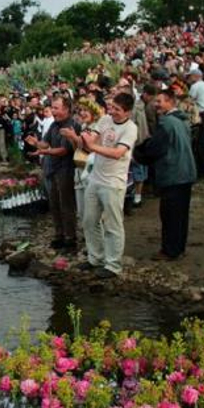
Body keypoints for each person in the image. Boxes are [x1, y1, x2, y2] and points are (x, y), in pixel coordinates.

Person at [76, 92, 138, 279]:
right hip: (96, 178)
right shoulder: (104, 120)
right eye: (112, 108)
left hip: (114, 181)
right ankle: (96, 257)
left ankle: (113, 264)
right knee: (89, 220)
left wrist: (93, 147)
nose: (113, 112)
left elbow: (118, 152)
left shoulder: (130, 128)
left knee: (113, 224)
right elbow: (90, 141)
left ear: (127, 112)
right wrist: (78, 138)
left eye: (117, 110)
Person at [134, 89, 197, 261]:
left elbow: (155, 148)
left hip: (173, 173)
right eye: (155, 102)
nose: (156, 105)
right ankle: (179, 247)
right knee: (181, 214)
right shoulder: (183, 120)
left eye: (159, 101)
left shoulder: (166, 122)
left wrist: (137, 153)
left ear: (170, 101)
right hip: (186, 172)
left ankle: (169, 250)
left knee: (170, 215)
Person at [27, 98, 80, 251]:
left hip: (66, 169)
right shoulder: (54, 125)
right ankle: (59, 235)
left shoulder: (72, 125)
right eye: (53, 108)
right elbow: (46, 143)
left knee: (66, 204)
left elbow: (64, 150)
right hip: (52, 168)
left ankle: (71, 239)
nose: (54, 111)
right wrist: (36, 143)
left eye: (56, 108)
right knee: (54, 204)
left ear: (67, 109)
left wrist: (45, 151)